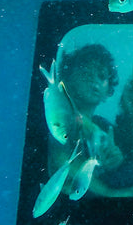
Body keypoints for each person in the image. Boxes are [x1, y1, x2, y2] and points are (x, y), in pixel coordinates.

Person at [47, 42, 122, 177]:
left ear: (108, 92)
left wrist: (114, 161)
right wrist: (108, 192)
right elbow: (58, 157)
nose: (94, 79)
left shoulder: (105, 127)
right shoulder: (57, 118)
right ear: (69, 78)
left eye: (101, 75)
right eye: (86, 72)